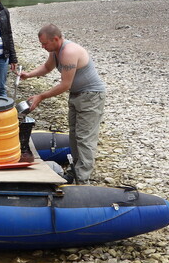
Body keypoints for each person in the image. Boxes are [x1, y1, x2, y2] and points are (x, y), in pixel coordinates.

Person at [20, 24, 106, 185]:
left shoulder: (69, 52)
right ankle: (75, 171)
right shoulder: (55, 51)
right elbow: (47, 67)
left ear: (56, 39)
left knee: (84, 138)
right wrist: (29, 75)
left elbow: (65, 84)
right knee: (73, 135)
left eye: (45, 44)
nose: (42, 47)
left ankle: (83, 181)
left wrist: (41, 96)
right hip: (76, 95)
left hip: (91, 96)